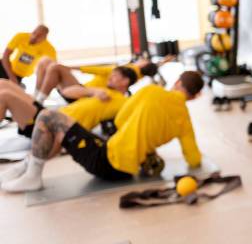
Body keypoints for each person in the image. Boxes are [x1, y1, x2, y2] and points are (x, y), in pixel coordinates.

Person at [1, 71, 205, 193]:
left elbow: (121, 118)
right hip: (123, 167)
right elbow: (193, 158)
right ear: (195, 97)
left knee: (48, 116)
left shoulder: (152, 91)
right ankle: (27, 167)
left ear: (177, 83)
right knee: (55, 122)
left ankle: (33, 177)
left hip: (108, 160)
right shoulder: (185, 121)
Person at [0, 66, 136, 141]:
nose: (110, 78)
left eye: (114, 76)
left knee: (4, 96)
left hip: (53, 126)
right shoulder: (103, 92)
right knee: (3, 83)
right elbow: (67, 92)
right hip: (50, 115)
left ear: (125, 81)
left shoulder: (123, 102)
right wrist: (92, 91)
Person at [32, 56, 166, 104]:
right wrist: (167, 60)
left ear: (143, 65)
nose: (142, 59)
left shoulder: (119, 71)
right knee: (46, 62)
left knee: (53, 65)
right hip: (81, 90)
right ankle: (36, 98)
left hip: (81, 93)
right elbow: (156, 66)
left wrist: (67, 67)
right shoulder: (136, 77)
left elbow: (90, 68)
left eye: (144, 60)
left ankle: (37, 101)